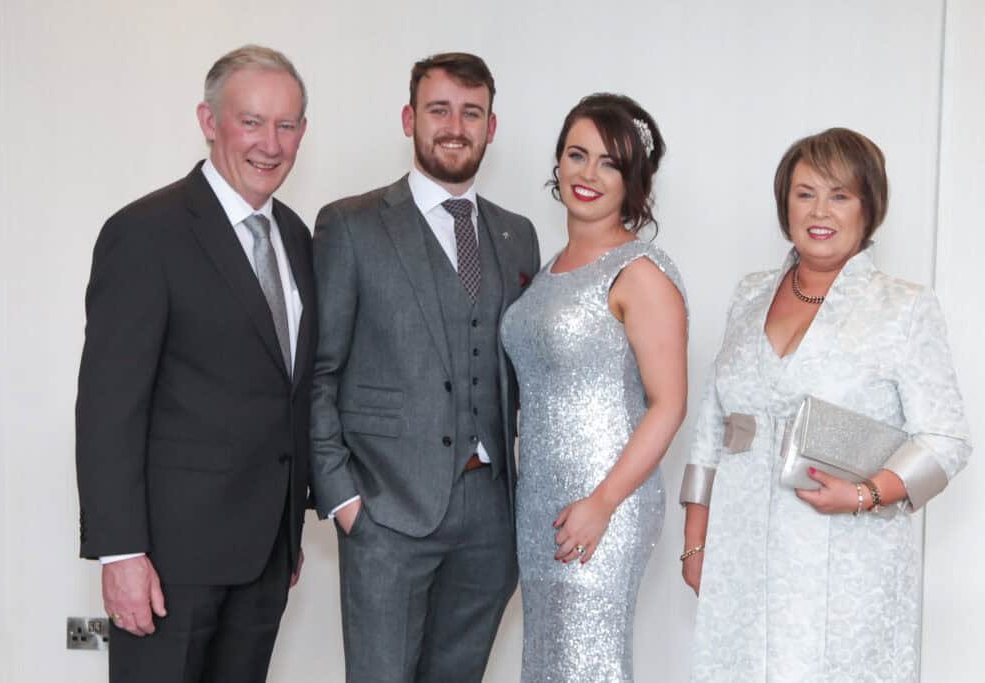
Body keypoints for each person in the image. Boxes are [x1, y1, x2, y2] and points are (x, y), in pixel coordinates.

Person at [680, 128, 971, 682]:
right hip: (741, 555)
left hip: (847, 559)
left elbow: (947, 440)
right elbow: (716, 425)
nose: (820, 210)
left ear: (869, 208)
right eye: (805, 192)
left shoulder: (902, 307)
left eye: (840, 195)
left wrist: (864, 494)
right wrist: (696, 545)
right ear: (784, 203)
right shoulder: (750, 293)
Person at [75, 45, 315, 682]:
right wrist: (120, 553)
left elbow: (290, 389)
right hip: (168, 562)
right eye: (251, 122)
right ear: (210, 122)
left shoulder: (296, 237)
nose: (270, 143)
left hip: (266, 553)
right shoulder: (145, 233)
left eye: (286, 125)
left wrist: (290, 525)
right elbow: (107, 406)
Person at [309, 52, 540, 682]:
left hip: (490, 518)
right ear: (411, 118)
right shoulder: (350, 225)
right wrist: (344, 499)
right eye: (439, 110)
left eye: (472, 113)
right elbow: (318, 373)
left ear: (492, 127)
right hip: (387, 511)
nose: (455, 126)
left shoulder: (517, 235)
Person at [500, 93, 688, 682]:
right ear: (557, 164)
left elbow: (669, 404)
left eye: (609, 162)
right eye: (577, 155)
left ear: (633, 180)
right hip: (541, 505)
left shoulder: (640, 272)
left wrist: (602, 503)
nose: (588, 173)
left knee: (589, 664)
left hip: (604, 504)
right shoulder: (552, 263)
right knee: (551, 664)